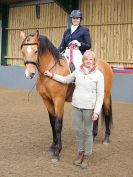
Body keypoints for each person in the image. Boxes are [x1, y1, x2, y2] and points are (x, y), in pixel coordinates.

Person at [44, 50, 104, 169]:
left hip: (89, 107)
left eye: (90, 59)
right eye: (86, 59)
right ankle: (80, 152)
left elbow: (100, 95)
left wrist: (97, 111)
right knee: (77, 131)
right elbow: (66, 80)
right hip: (76, 106)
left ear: (94, 61)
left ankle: (87, 156)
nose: (88, 61)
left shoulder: (99, 75)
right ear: (83, 61)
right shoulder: (78, 71)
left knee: (87, 132)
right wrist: (52, 75)